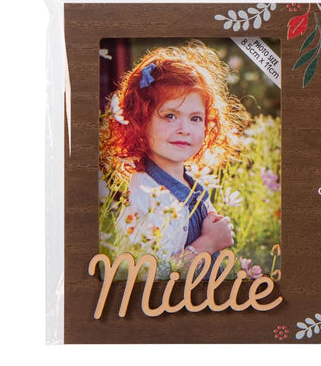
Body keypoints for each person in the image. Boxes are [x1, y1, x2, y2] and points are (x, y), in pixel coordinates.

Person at [98, 41, 250, 277]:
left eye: (195, 118)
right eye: (170, 116)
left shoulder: (189, 183)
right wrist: (208, 243)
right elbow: (152, 275)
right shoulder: (144, 198)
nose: (184, 129)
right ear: (140, 121)